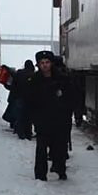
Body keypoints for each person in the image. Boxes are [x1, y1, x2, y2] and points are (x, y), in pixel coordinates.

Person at [27, 50, 75, 181]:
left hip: (60, 120)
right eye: (42, 63)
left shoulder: (62, 79)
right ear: (38, 64)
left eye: (47, 62)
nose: (45, 65)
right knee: (41, 149)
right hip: (42, 121)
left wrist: (67, 114)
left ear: (51, 63)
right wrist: (34, 118)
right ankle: (40, 175)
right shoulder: (34, 81)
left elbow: (71, 98)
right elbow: (30, 101)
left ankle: (60, 170)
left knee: (59, 147)